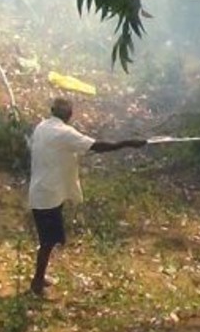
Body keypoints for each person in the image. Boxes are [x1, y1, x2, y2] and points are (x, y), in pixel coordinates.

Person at [26, 97, 148, 297]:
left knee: (49, 239)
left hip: (44, 191)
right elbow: (97, 146)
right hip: (47, 195)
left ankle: (39, 278)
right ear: (69, 115)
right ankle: (37, 284)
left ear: (52, 111)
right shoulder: (64, 132)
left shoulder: (43, 126)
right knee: (48, 241)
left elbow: (61, 150)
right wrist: (127, 143)